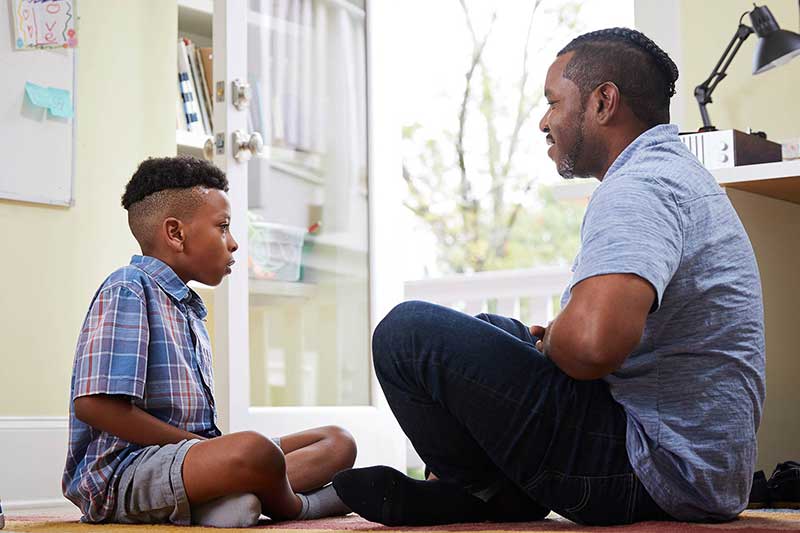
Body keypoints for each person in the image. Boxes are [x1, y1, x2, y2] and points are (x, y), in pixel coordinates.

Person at [332, 27, 765, 526]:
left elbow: (593, 345)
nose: (544, 119)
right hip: (693, 464)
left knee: (406, 335)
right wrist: (549, 340)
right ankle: (484, 491)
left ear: (604, 102)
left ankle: (484, 492)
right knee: (499, 329)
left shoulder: (639, 187)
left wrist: (559, 336)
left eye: (553, 101)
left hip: (654, 472)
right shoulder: (676, 174)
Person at [62, 156, 356, 527]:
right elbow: (95, 406)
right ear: (176, 233)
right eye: (223, 227)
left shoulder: (187, 308)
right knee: (254, 449)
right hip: (126, 472)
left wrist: (203, 450)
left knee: (337, 441)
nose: (233, 244)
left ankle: (224, 500)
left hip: (191, 460)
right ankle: (295, 507)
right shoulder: (129, 288)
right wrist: (199, 447)